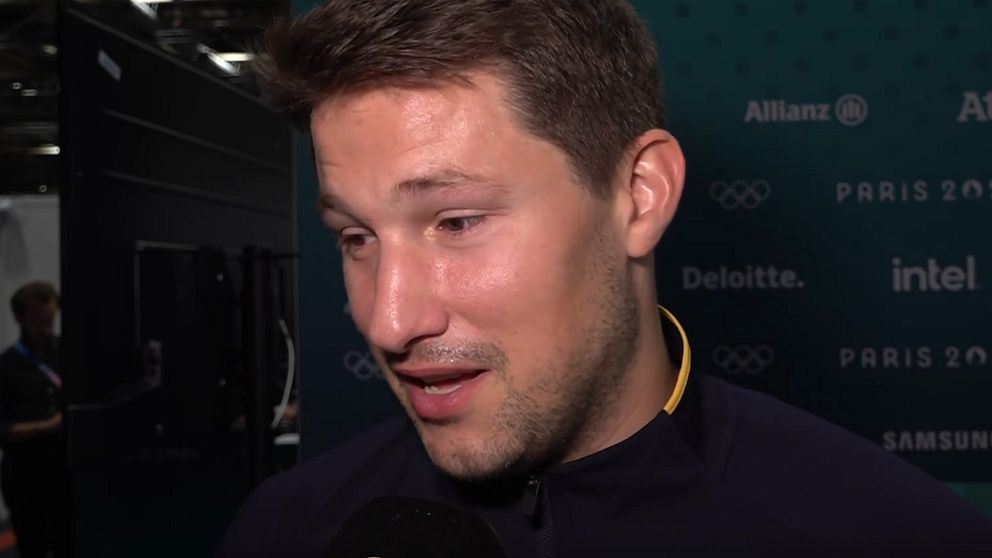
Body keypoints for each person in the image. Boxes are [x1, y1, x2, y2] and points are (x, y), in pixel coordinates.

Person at [217, 1, 992, 556]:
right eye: (356, 237)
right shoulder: (287, 529)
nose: (389, 320)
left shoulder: (897, 533)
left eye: (456, 223)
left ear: (639, 196)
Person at [0, 281, 68, 558]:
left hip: (64, 473)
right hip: (25, 477)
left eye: (49, 320)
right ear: (20, 319)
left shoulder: (67, 354)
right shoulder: (6, 367)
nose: (45, 328)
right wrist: (48, 426)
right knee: (32, 547)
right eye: (38, 322)